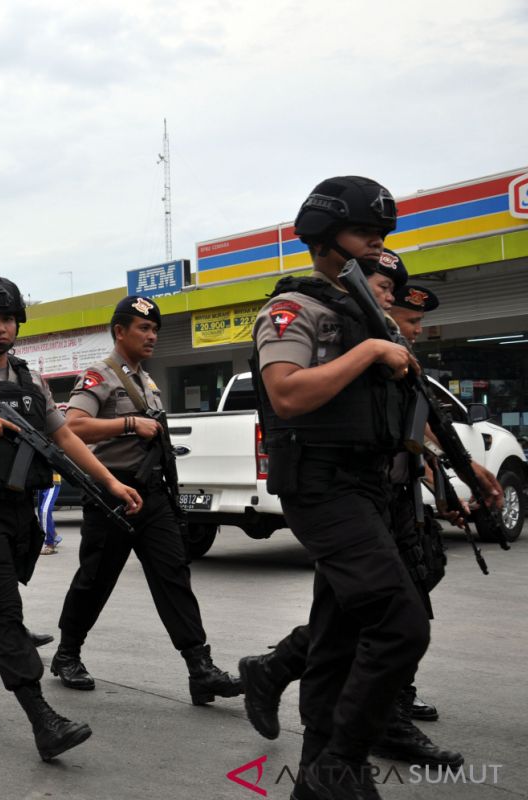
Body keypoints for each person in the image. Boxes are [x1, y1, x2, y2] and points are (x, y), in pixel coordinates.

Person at [248, 177, 498, 798]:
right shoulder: (294, 310)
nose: (374, 249)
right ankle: (341, 764)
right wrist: (369, 354)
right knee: (401, 622)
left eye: (382, 239)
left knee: (338, 639)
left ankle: (318, 777)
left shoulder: (368, 318)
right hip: (323, 486)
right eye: (364, 235)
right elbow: (286, 392)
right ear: (325, 236)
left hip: (372, 489)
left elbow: (416, 416)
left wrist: (468, 472)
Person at [239, 257, 464, 768]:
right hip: (341, 491)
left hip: (385, 494)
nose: (397, 308)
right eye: (388, 292)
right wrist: (370, 351)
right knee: (391, 615)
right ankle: (356, 741)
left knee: (353, 615)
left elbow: (407, 428)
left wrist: (449, 477)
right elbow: (289, 395)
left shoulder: (383, 348)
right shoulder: (332, 329)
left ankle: (317, 728)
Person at [0, 276, 142, 761]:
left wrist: (110, 482)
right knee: (1, 609)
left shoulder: (30, 379)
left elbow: (65, 439)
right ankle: (42, 717)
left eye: (7, 319)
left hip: (18, 514)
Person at [53, 295, 242, 704]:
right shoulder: (98, 375)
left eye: (155, 329)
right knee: (95, 578)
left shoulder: (146, 381)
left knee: (174, 575)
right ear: (120, 331)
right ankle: (67, 654)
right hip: (112, 492)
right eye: (144, 328)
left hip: (153, 494)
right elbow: (73, 427)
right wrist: (126, 423)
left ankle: (200, 668)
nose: (152, 335)